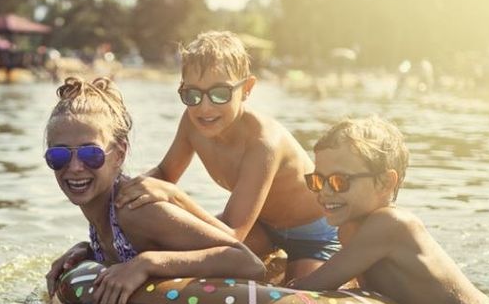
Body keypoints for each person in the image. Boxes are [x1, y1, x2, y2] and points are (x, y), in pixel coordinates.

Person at [113, 31, 340, 283]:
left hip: (313, 233)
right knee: (172, 246)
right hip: (263, 227)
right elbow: (166, 174)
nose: (204, 107)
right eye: (192, 95)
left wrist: (174, 195)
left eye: (220, 93)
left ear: (247, 89)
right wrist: (123, 190)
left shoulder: (264, 143)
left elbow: (233, 234)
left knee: (300, 296)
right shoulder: (191, 123)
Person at [43, 77, 265, 304]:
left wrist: (148, 263)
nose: (74, 167)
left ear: (119, 154)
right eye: (59, 155)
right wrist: (89, 250)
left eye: (90, 154)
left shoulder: (134, 210)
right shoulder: (99, 210)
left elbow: (248, 262)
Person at [288, 116, 489, 304]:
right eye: (318, 180)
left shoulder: (389, 224)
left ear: (385, 183)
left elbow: (314, 285)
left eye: (340, 181)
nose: (325, 192)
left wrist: (261, 288)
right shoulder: (349, 231)